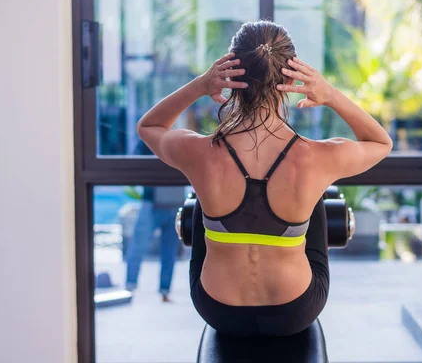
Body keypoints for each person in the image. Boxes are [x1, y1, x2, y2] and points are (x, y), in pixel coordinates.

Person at [135, 20, 393, 336]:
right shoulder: (316, 156)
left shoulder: (200, 152)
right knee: (314, 192)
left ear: (231, 74)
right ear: (291, 77)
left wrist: (201, 86)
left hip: (217, 309)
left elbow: (149, 127)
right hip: (294, 310)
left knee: (206, 201)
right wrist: (330, 95)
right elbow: (381, 143)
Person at [125, 186, 179, 302]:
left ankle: (165, 291)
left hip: (175, 201)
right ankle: (130, 287)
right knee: (139, 245)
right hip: (151, 201)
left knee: (169, 251)